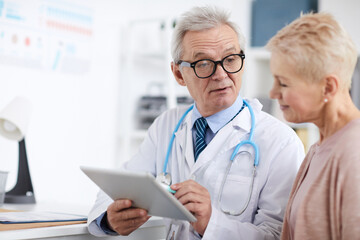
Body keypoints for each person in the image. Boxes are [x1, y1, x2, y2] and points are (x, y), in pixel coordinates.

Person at [88, 6, 305, 240]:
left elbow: (279, 235)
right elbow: (123, 184)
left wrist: (212, 222)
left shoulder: (281, 142)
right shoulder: (167, 125)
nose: (221, 74)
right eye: (203, 64)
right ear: (179, 74)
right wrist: (110, 218)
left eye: (230, 59)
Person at [266, 12, 360, 239]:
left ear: (328, 87)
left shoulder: (354, 154)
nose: (273, 93)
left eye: (284, 83)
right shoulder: (320, 147)